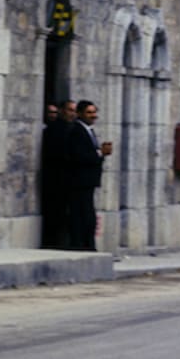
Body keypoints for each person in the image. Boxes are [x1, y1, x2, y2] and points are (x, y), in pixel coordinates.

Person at [67, 99, 111, 251]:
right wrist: (99, 153)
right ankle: (81, 245)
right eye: (89, 112)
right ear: (79, 114)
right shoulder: (76, 131)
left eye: (94, 112)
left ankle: (88, 244)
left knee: (87, 215)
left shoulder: (88, 130)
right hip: (79, 181)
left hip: (87, 181)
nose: (93, 116)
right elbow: (78, 156)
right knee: (81, 215)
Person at [41, 100, 74, 248]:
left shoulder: (72, 128)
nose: (72, 113)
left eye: (74, 110)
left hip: (68, 180)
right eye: (69, 110)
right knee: (55, 214)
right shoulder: (55, 129)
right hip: (57, 179)